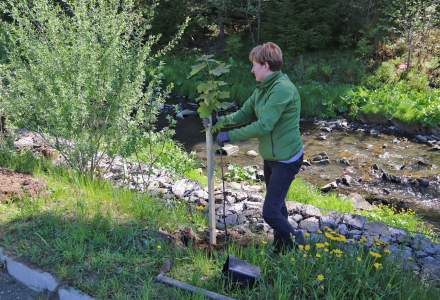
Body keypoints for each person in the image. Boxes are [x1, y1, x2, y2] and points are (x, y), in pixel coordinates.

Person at [214, 42, 304, 253]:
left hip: (287, 159)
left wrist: (230, 136)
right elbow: (244, 113)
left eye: (254, 64)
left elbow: (265, 125)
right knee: (278, 205)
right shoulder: (262, 88)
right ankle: (282, 249)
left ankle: (295, 238)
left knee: (270, 212)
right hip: (271, 157)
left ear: (265, 65)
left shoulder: (282, 89)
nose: (251, 69)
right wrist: (220, 122)